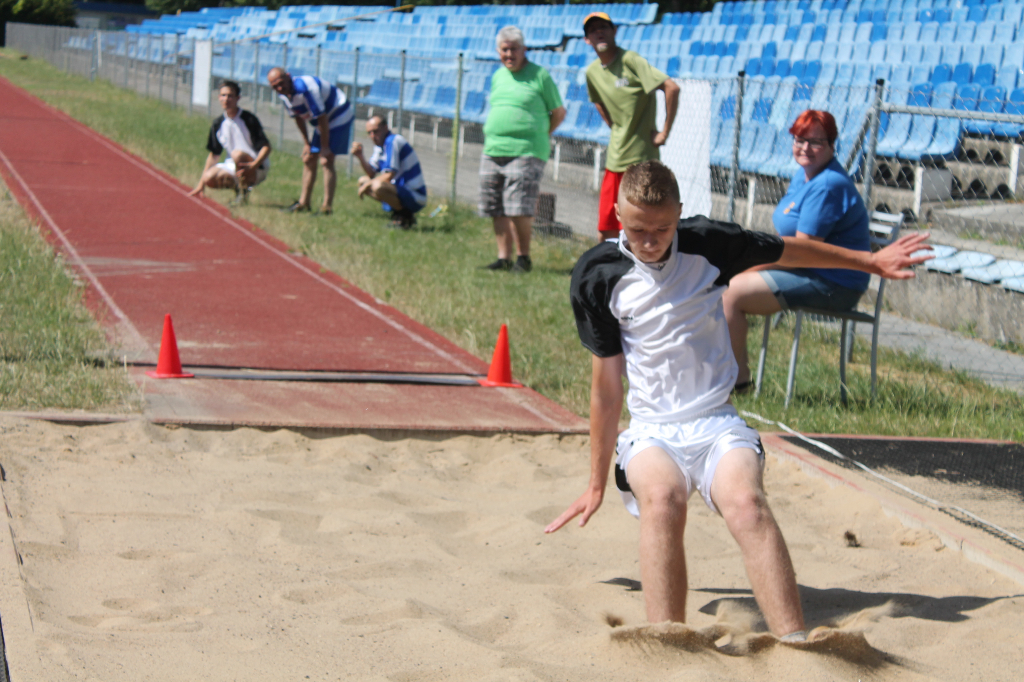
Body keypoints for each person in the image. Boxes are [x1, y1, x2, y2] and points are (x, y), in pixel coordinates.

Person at [545, 161, 930, 638]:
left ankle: (795, 642)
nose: (650, 241)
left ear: (680, 214)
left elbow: (793, 251)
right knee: (663, 501)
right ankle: (668, 644)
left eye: (662, 229)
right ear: (617, 214)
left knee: (747, 504)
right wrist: (596, 483)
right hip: (650, 430)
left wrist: (868, 261)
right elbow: (605, 388)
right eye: (637, 228)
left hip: (715, 421)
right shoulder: (596, 275)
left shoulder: (710, 244)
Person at [721, 110, 872, 393]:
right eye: (800, 140)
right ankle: (731, 378)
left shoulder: (827, 185)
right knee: (725, 284)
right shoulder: (803, 176)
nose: (806, 148)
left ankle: (736, 384)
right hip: (805, 270)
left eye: (816, 142)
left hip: (834, 283)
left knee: (730, 292)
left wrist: (750, 266)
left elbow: (801, 253)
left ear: (831, 146)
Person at [583, 12, 680, 242]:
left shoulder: (630, 60)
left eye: (604, 27)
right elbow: (597, 100)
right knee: (606, 227)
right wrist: (615, 126)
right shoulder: (592, 72)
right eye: (593, 29)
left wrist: (664, 132)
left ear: (614, 31)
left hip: (641, 160)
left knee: (642, 226)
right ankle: (610, 272)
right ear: (587, 39)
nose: (599, 32)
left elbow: (671, 88)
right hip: (615, 158)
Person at [480, 25, 566, 272]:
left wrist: (541, 133)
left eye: (514, 49)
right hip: (493, 148)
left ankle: (523, 258)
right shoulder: (498, 76)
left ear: (524, 49)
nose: (509, 54)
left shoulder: (540, 75)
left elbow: (558, 112)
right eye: (505, 50)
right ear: (498, 51)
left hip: (527, 151)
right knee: (494, 205)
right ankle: (503, 258)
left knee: (518, 206)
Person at [267, 67, 354, 215]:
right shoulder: (284, 95)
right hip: (323, 120)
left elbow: (322, 118)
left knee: (326, 160)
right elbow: (298, 118)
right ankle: (304, 203)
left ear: (289, 77)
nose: (280, 88)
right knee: (309, 159)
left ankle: (327, 207)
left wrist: (325, 147)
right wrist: (307, 144)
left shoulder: (306, 89)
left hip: (338, 114)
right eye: (275, 87)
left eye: (281, 83)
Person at [189, 80, 271, 202]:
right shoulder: (218, 123)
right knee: (209, 178)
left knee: (237, 154)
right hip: (233, 165)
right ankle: (239, 189)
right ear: (219, 97)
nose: (226, 99)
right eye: (223, 95)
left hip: (256, 166)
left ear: (238, 98)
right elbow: (214, 155)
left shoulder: (248, 119)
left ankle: (243, 193)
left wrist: (254, 165)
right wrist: (201, 185)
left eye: (230, 96)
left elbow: (266, 147)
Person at [350, 116, 427, 229]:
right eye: (369, 133)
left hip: (415, 195)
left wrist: (368, 185)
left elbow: (389, 175)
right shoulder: (380, 146)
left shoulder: (393, 141)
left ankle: (405, 216)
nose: (372, 136)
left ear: (385, 128)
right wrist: (360, 156)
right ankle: (400, 213)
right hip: (400, 190)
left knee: (376, 185)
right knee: (363, 181)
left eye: (375, 131)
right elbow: (371, 173)